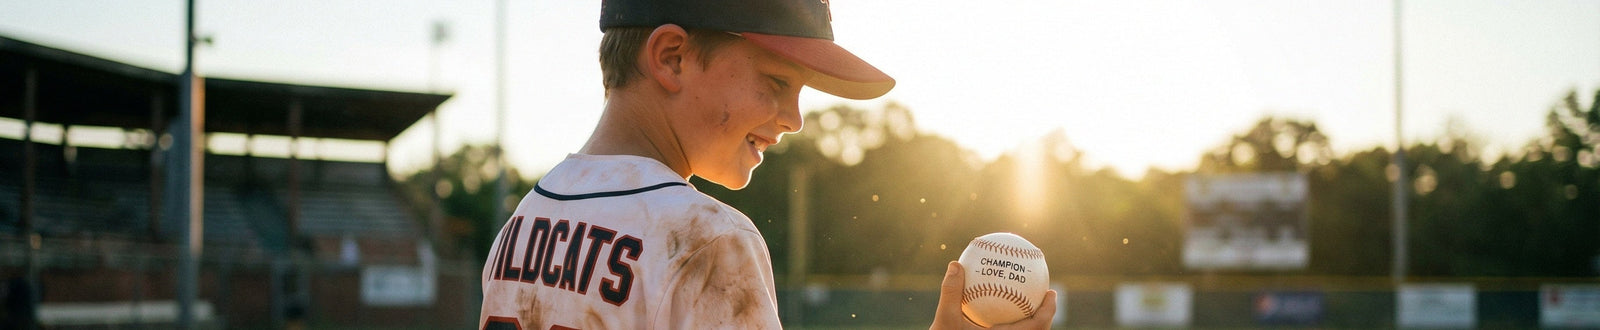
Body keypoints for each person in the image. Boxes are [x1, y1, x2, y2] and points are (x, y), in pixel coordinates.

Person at [477, 0, 1056, 329]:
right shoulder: (705, 238)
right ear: (671, 58)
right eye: (777, 82)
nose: (794, 118)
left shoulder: (521, 223)